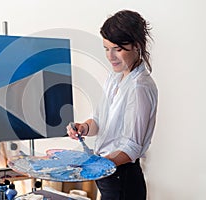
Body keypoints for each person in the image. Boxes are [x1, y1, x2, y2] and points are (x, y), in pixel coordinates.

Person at [67, 10, 158, 200]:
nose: (110, 56)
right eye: (106, 48)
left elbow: (131, 147)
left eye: (117, 49)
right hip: (109, 175)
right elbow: (99, 122)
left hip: (123, 178)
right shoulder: (114, 77)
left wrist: (98, 164)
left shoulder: (139, 87)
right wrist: (83, 127)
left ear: (136, 45)